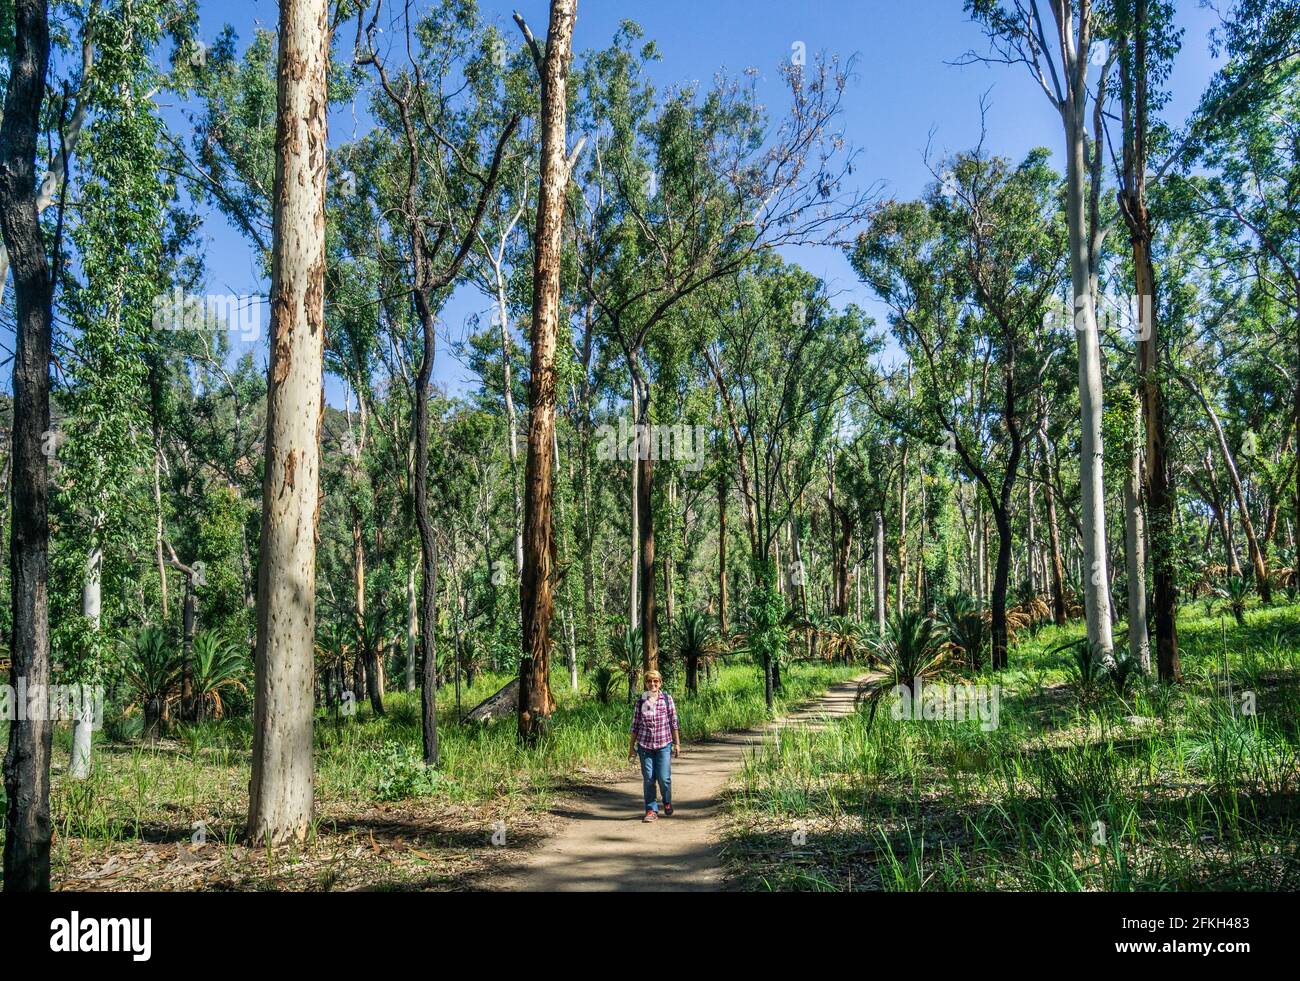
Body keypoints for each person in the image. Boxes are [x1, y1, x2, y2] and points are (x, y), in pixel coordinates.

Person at [627, 670, 680, 822]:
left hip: (664, 744)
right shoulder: (641, 701)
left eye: (655, 681)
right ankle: (651, 810)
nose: (653, 684)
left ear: (660, 683)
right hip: (645, 746)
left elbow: (674, 722)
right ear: (646, 683)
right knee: (649, 779)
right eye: (650, 681)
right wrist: (631, 747)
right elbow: (635, 725)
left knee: (664, 778)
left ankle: (667, 801)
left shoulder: (667, 700)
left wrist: (677, 743)